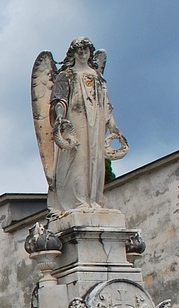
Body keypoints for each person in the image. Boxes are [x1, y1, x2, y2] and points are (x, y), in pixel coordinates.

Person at [33, 37, 127, 213]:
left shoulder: (97, 77)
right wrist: (61, 119)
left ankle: (94, 200)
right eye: (79, 50)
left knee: (95, 159)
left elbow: (106, 104)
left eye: (86, 50)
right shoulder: (66, 76)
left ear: (90, 52)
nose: (83, 53)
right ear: (73, 53)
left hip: (96, 122)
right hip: (75, 122)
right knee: (79, 159)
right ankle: (78, 201)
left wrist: (112, 126)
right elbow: (59, 101)